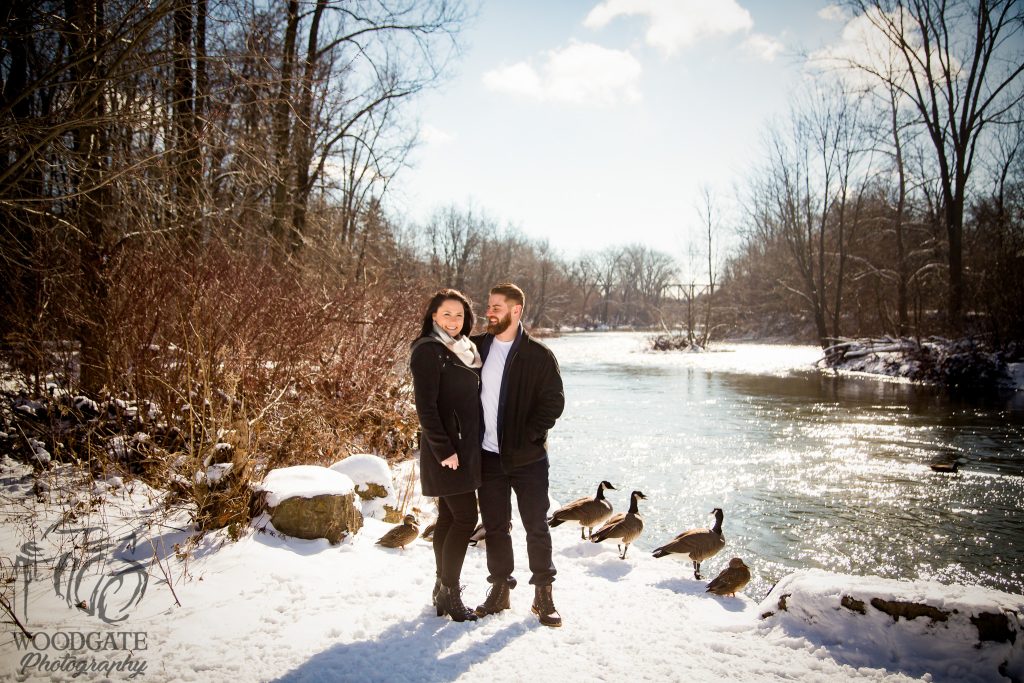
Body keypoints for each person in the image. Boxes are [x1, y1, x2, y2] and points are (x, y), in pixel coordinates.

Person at [471, 283, 565, 627]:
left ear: (516, 311)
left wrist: (528, 435)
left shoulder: (539, 356)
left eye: (497, 306)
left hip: (528, 460)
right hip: (488, 457)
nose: (490, 312)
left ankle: (543, 595)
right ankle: (500, 590)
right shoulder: (477, 348)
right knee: (495, 527)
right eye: (489, 305)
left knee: (536, 526)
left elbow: (553, 402)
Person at [409, 288, 483, 623]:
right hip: (448, 451)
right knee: (466, 518)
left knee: (450, 518)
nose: (454, 321)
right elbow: (425, 407)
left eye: (459, 315)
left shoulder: (465, 349)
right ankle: (450, 593)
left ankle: (442, 588)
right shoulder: (429, 350)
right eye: (446, 314)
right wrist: (445, 450)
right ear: (434, 317)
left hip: (462, 446)